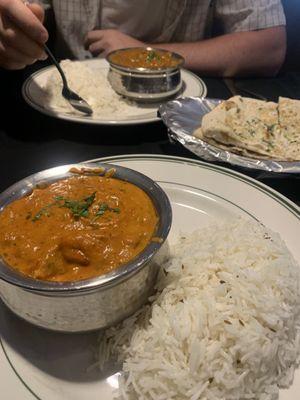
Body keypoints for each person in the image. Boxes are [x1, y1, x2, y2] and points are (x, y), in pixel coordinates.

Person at [0, 0, 287, 76]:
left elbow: (268, 46)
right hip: (60, 116)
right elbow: (20, 10)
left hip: (176, 112)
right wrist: (11, 30)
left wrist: (145, 53)